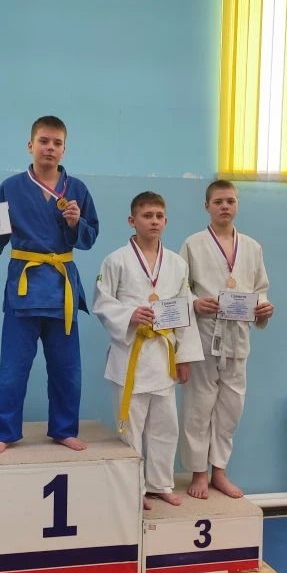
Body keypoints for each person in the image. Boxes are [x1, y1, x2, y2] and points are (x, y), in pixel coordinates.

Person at [0, 116, 98, 454]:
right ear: (30, 145)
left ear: (64, 149)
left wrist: (75, 224)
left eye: (57, 143)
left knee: (67, 368)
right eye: (43, 141)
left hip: (62, 289)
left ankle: (64, 428)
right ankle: (6, 431)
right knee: (13, 367)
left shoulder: (77, 189)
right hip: (23, 289)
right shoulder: (11, 187)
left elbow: (90, 235)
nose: (50, 148)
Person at [92, 192, 203, 509]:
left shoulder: (177, 264)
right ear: (132, 220)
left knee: (166, 426)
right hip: (130, 356)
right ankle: (134, 488)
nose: (154, 221)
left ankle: (161, 483)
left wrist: (183, 358)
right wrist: (129, 315)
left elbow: (185, 311)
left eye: (159, 216)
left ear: (166, 221)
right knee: (131, 427)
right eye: (147, 215)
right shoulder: (115, 260)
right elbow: (102, 303)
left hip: (163, 356)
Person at [179, 179, 274, 499]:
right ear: (206, 206)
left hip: (237, 336)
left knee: (231, 407)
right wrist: (194, 303)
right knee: (199, 405)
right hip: (205, 334)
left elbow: (260, 289)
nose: (224, 206)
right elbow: (179, 289)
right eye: (218, 201)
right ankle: (198, 472)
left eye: (230, 201)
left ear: (237, 205)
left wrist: (263, 308)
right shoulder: (193, 244)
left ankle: (219, 470)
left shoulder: (252, 247)